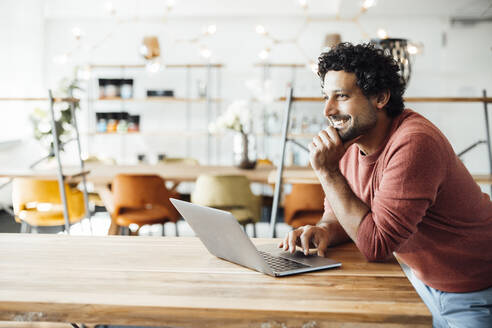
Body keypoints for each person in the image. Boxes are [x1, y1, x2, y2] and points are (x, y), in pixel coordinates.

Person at [278, 42, 492, 327]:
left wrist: (328, 172)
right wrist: (323, 230)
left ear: (380, 97)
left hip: (474, 290)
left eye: (341, 96)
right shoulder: (352, 142)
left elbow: (377, 245)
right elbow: (340, 214)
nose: (328, 109)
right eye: (325, 96)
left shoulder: (414, 142)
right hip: (420, 280)